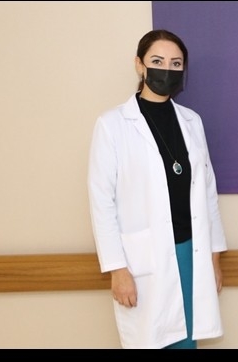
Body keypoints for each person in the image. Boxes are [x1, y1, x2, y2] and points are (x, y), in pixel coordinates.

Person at [88, 29, 228, 349]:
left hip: (190, 252)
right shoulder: (112, 125)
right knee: (151, 340)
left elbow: (208, 193)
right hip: (143, 260)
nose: (167, 69)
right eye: (157, 61)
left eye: (176, 63)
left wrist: (214, 258)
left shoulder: (191, 121)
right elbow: (101, 202)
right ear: (139, 65)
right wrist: (117, 269)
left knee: (187, 340)